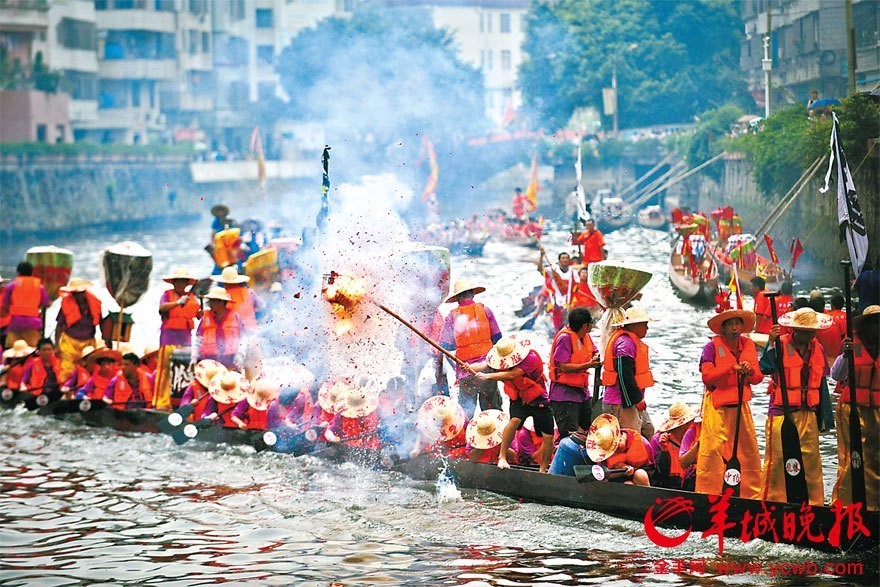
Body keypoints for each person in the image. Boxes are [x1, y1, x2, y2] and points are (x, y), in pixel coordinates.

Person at [759, 308, 830, 506]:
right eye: (805, 331)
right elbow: (763, 368)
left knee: (811, 462)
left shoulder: (818, 349)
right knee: (778, 461)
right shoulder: (780, 345)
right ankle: (772, 502)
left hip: (808, 413)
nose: (810, 335)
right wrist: (770, 343)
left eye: (812, 331)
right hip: (782, 413)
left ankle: (815, 504)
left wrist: (824, 418)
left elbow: (821, 383)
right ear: (794, 330)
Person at [695, 308, 763, 499]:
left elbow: (758, 378)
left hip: (741, 406)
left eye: (737, 323)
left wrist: (749, 371)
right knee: (714, 449)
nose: (734, 327)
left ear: (742, 326)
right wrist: (729, 368)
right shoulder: (711, 348)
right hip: (717, 406)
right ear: (723, 329)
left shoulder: (747, 344)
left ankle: (751, 495)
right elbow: (706, 376)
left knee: (747, 451)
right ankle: (709, 493)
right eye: (730, 324)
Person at [473, 335, 554, 472]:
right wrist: (469, 367)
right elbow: (485, 365)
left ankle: (543, 469)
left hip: (537, 398)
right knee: (514, 420)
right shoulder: (500, 360)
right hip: (518, 397)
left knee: (548, 435)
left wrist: (487, 376)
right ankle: (502, 458)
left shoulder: (530, 358)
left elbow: (512, 375)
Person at [831, 305, 879, 510]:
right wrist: (845, 356)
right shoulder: (851, 344)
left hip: (877, 408)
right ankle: (843, 503)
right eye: (874, 323)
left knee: (876, 458)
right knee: (853, 458)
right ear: (866, 326)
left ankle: (874, 505)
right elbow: (836, 375)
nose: (878, 327)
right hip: (852, 408)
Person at [439, 279, 503, 415]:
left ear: (457, 298)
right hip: (487, 368)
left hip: (465, 370)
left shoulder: (452, 316)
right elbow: (498, 338)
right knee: (492, 409)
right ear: (472, 294)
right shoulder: (485, 310)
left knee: (466, 412)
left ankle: (466, 434)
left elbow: (446, 345)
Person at [601, 307, 656, 434]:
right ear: (634, 326)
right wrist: (636, 399)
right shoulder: (625, 344)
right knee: (629, 439)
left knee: (648, 430)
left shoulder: (630, 342)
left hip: (630, 399)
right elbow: (624, 375)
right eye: (645, 325)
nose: (647, 328)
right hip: (620, 402)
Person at [549, 307, 600, 441]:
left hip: (581, 393)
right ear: (585, 326)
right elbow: (563, 366)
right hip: (564, 395)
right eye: (591, 322)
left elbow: (594, 351)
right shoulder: (565, 338)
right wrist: (589, 365)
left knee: (589, 428)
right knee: (568, 435)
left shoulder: (585, 336)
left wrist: (596, 357)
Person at [54, 278, 102, 381]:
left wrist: (105, 338)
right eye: (75, 293)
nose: (78, 296)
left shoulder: (94, 303)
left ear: (85, 292)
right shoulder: (66, 304)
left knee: (89, 368)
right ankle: (66, 391)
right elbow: (59, 325)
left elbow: (101, 321)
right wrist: (57, 345)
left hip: (88, 342)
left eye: (80, 293)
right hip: (69, 342)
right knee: (67, 369)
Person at [585, 413, 652, 486]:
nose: (615, 451)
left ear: (620, 436)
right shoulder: (601, 451)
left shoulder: (644, 444)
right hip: (617, 479)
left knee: (641, 475)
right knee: (628, 484)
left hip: (640, 475)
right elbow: (605, 476)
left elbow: (652, 470)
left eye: (616, 447)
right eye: (611, 450)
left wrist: (634, 469)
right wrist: (623, 469)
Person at [191, 287, 248, 369]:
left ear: (221, 302)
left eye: (213, 301)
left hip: (230, 361)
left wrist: (240, 354)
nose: (210, 304)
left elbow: (243, 338)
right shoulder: (205, 317)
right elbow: (198, 340)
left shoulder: (235, 317)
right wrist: (194, 356)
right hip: (208, 363)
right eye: (210, 301)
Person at [1, 262, 50, 348]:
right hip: (33, 324)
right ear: (32, 272)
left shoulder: (11, 286)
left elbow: (5, 306)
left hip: (15, 323)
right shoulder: (39, 287)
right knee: (32, 349)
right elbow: (46, 303)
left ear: (18, 272)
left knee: (13, 349)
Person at [650, 402, 697, 489]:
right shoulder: (658, 439)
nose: (693, 423)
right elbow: (658, 472)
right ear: (684, 424)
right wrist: (664, 450)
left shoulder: (693, 437)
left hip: (687, 480)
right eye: (690, 421)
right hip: (666, 483)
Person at [543, 252, 580, 332]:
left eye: (567, 258)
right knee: (557, 326)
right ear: (559, 260)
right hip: (555, 301)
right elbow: (540, 269)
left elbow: (577, 285)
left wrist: (576, 289)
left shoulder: (573, 272)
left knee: (567, 324)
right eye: (563, 258)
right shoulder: (553, 269)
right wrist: (542, 255)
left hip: (568, 301)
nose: (565, 260)